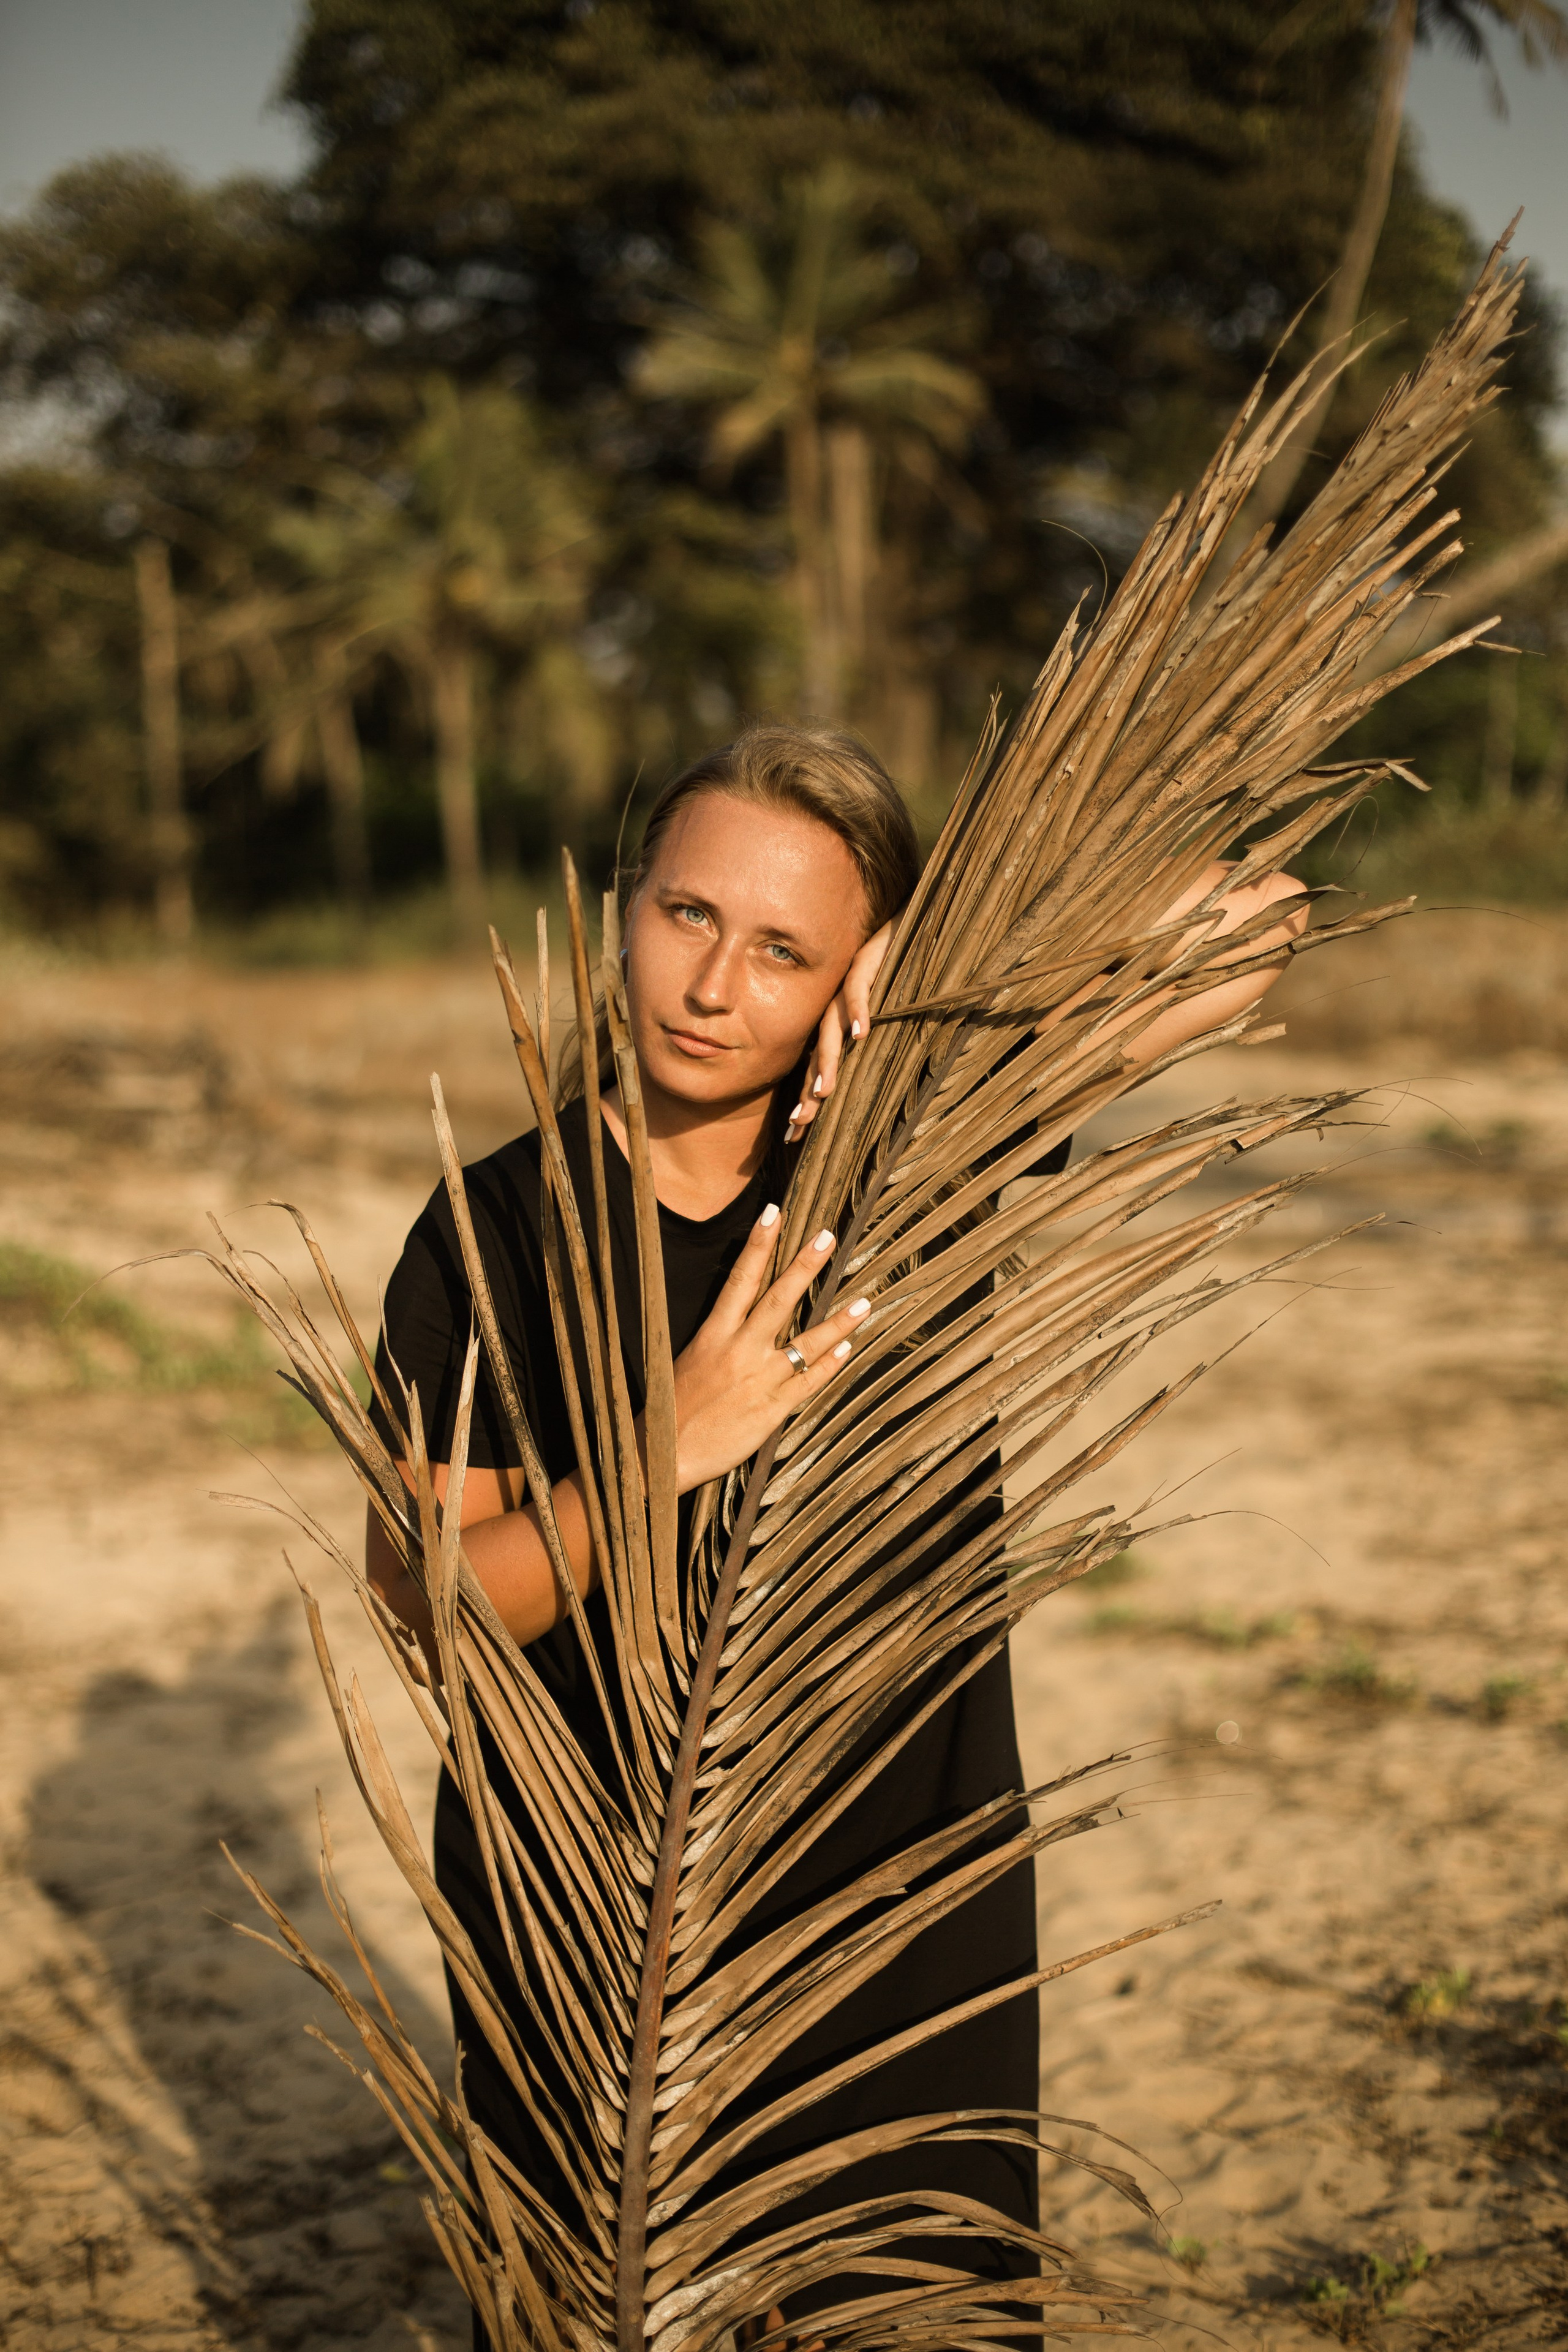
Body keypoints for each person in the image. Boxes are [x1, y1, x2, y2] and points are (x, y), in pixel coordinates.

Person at [366, 721, 1306, 2345]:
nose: (715, 985)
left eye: (788, 948)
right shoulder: (490, 1230)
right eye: (687, 916)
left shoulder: (908, 1159)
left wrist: (951, 969)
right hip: (598, 1901)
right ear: (627, 902)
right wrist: (671, 1438)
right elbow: (429, 1606)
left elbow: (1257, 922)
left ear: (848, 967)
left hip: (897, 1887)